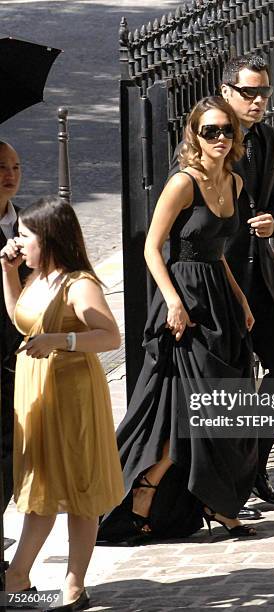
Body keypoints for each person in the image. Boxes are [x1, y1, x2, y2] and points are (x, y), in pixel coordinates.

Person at [98, 96, 258, 545]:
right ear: (194, 135)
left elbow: (219, 253)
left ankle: (201, 498)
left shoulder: (236, 184)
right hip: (184, 301)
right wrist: (171, 301)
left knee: (223, 403)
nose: (221, 139)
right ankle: (156, 492)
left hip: (218, 301)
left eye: (227, 130)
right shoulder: (182, 183)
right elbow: (152, 246)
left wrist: (241, 298)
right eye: (211, 132)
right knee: (192, 404)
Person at [170, 55, 274, 515]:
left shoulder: (269, 140)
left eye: (263, 93)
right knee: (231, 383)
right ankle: (224, 491)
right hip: (215, 280)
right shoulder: (207, 136)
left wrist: (272, 223)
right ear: (227, 92)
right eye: (248, 92)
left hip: (259, 276)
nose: (257, 101)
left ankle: (253, 468)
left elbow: (273, 202)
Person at [0, 197, 124, 611]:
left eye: (25, 236)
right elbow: (20, 317)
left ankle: (73, 583)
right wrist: (7, 272)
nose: (18, 242)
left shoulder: (78, 283)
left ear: (48, 240)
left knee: (79, 488)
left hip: (72, 397)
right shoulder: (37, 277)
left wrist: (61, 340)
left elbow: (109, 336)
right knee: (42, 488)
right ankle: (18, 576)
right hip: (37, 391)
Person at [0, 140, 27, 512]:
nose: (10, 175)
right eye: (2, 167)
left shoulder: (28, 223)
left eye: (16, 167)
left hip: (21, 354)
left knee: (13, 449)